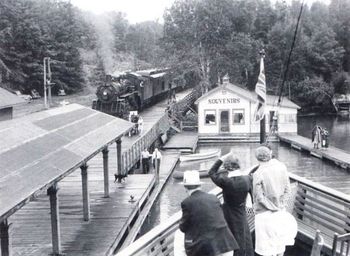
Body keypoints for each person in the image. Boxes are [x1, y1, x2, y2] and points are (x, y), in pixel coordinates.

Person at [179, 170, 239, 256]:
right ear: (200, 185)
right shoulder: (213, 197)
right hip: (226, 243)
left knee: (179, 237)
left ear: (185, 188)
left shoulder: (187, 202)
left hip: (210, 249)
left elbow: (183, 228)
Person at [252, 146, 297, 256]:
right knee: (279, 244)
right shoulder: (281, 167)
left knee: (266, 248)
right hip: (281, 212)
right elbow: (288, 189)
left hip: (264, 215)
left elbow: (259, 197)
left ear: (257, 158)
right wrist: (281, 205)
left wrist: (271, 206)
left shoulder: (258, 173)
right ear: (270, 155)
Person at [208, 151, 254, 256]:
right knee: (244, 235)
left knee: (231, 237)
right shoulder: (247, 179)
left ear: (227, 167)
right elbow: (252, 196)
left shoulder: (225, 181)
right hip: (241, 211)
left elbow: (211, 172)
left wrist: (221, 159)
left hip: (228, 212)